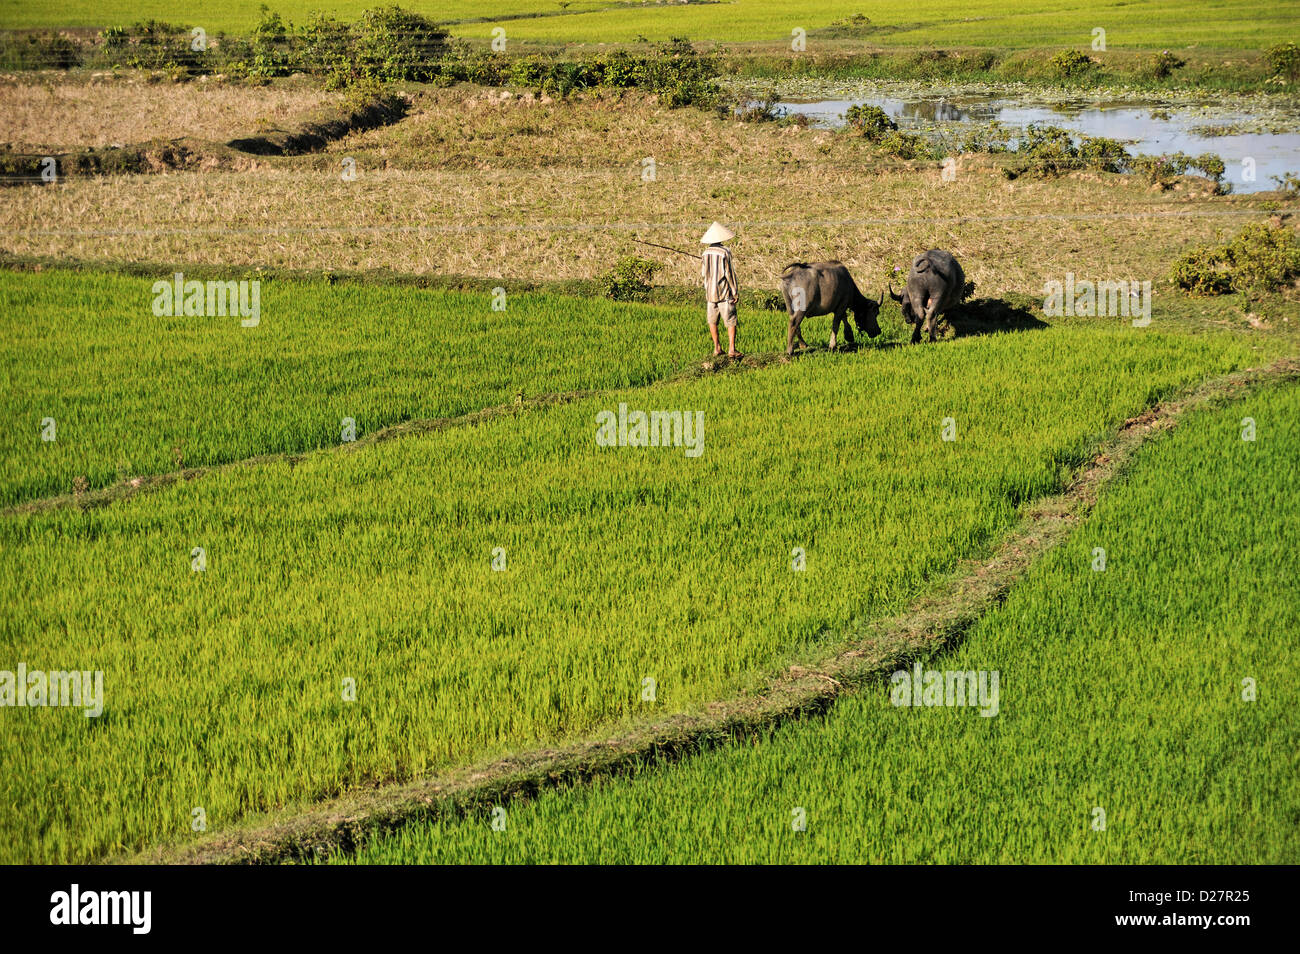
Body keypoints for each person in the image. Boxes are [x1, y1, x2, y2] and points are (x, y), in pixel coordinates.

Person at [700, 221, 741, 358]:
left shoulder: (705, 253)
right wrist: (734, 291)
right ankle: (731, 349)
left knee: (712, 321)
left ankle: (717, 348)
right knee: (731, 320)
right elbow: (729, 273)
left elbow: (703, 274)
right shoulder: (725, 252)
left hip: (710, 294)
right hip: (724, 293)